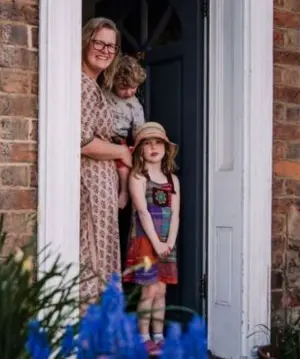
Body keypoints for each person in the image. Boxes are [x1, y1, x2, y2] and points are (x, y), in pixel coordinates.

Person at [79, 17, 133, 301]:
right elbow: (82, 140)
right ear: (86, 41)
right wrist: (122, 152)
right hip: (91, 185)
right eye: (98, 42)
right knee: (93, 256)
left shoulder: (94, 86)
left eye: (111, 46)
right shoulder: (83, 85)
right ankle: (90, 333)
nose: (104, 50)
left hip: (101, 188)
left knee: (100, 253)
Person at [122, 122, 180, 355]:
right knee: (148, 291)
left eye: (158, 143)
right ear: (140, 150)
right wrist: (156, 243)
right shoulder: (138, 176)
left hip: (166, 240)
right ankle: (143, 336)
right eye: (147, 144)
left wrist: (170, 241)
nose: (153, 147)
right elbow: (143, 212)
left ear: (166, 148)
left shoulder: (172, 179)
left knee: (161, 291)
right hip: (146, 241)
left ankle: (159, 335)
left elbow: (175, 213)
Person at [105, 55, 147, 209]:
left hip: (118, 138)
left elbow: (139, 130)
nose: (129, 92)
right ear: (113, 82)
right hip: (100, 136)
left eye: (134, 87)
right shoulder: (104, 94)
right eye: (123, 88)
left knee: (124, 166)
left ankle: (124, 191)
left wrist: (137, 146)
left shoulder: (135, 105)